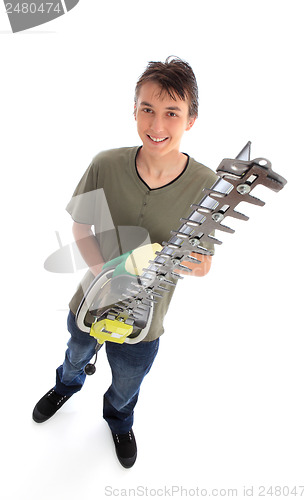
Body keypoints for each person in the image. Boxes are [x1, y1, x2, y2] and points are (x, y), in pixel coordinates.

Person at [32, 57, 218, 468]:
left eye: (172, 113)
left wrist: (199, 266)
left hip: (145, 321)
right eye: (147, 109)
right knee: (76, 352)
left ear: (191, 120)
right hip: (89, 302)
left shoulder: (207, 186)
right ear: (134, 110)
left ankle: (118, 417)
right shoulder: (105, 164)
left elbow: (203, 258)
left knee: (129, 377)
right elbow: (81, 226)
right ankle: (67, 385)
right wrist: (107, 277)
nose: (157, 124)